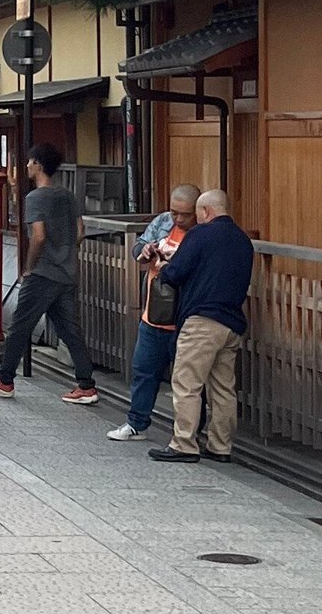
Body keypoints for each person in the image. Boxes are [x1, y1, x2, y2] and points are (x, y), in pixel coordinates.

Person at [148, 190, 255, 464]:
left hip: (201, 321)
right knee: (223, 388)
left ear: (205, 211)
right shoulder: (244, 241)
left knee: (187, 383)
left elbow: (175, 273)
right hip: (231, 323)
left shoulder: (200, 235)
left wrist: (163, 267)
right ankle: (221, 445)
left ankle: (184, 443)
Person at [0, 144, 100, 406]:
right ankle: (86, 384)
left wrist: (29, 266)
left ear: (38, 164)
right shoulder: (67, 195)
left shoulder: (35, 198)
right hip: (67, 273)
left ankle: (5, 379)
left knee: (20, 326)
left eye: (28, 162)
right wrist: (66, 254)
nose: (26, 166)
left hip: (43, 274)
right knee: (70, 331)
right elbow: (80, 230)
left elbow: (38, 236)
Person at [108, 183, 200, 443]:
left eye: (186, 214)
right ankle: (136, 423)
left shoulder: (202, 233)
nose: (179, 219)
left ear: (198, 212)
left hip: (185, 317)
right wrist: (145, 251)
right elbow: (138, 247)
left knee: (187, 380)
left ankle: (190, 431)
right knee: (143, 369)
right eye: (175, 213)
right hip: (154, 313)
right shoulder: (162, 222)